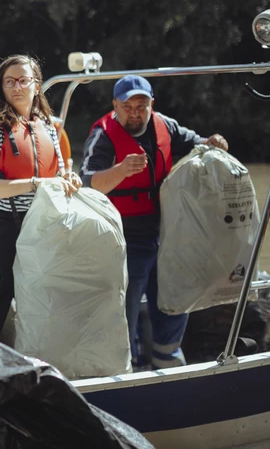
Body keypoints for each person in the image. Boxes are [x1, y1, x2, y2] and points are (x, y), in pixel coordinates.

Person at [79, 75, 228, 370]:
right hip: (123, 237)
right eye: (128, 106)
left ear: (152, 105)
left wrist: (215, 142)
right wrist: (121, 170)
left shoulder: (166, 126)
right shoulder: (103, 134)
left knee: (176, 294)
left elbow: (199, 144)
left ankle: (167, 355)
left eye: (141, 106)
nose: (135, 113)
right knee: (126, 306)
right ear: (115, 105)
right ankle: (128, 364)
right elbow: (88, 183)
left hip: (167, 232)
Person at [0, 55, 82, 341]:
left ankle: (36, 356)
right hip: (3, 223)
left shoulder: (47, 124)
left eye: (23, 80)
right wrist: (34, 184)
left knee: (42, 295)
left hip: (43, 223)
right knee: (0, 294)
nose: (17, 87)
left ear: (37, 85)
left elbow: (61, 170)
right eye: (9, 81)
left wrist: (70, 178)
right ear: (1, 87)